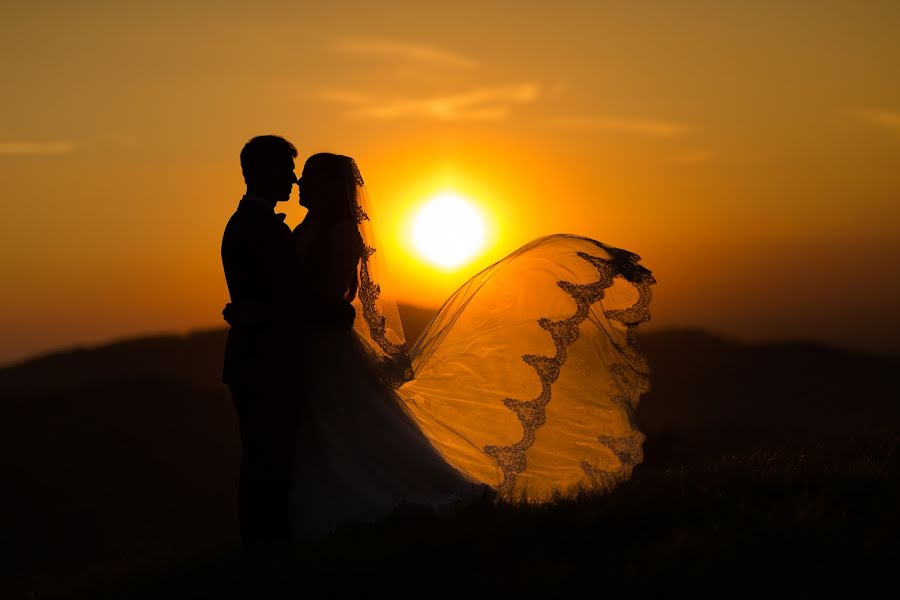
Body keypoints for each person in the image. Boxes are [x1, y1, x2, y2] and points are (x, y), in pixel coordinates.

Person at [226, 151, 656, 540]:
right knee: (312, 434)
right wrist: (254, 309)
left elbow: (326, 296)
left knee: (337, 429)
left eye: (307, 176)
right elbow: (284, 290)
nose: (298, 183)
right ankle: (275, 527)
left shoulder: (337, 232)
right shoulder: (298, 227)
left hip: (323, 346)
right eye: (294, 174)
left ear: (328, 186)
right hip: (302, 346)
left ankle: (308, 520)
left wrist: (272, 312)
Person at [220, 137, 355, 547]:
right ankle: (265, 550)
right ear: (263, 173)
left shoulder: (261, 225)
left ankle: (270, 545)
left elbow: (276, 298)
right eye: (288, 170)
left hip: (269, 358)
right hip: (264, 362)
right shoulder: (255, 228)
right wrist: (340, 313)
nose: (294, 179)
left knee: (273, 458)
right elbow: (291, 299)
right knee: (266, 459)